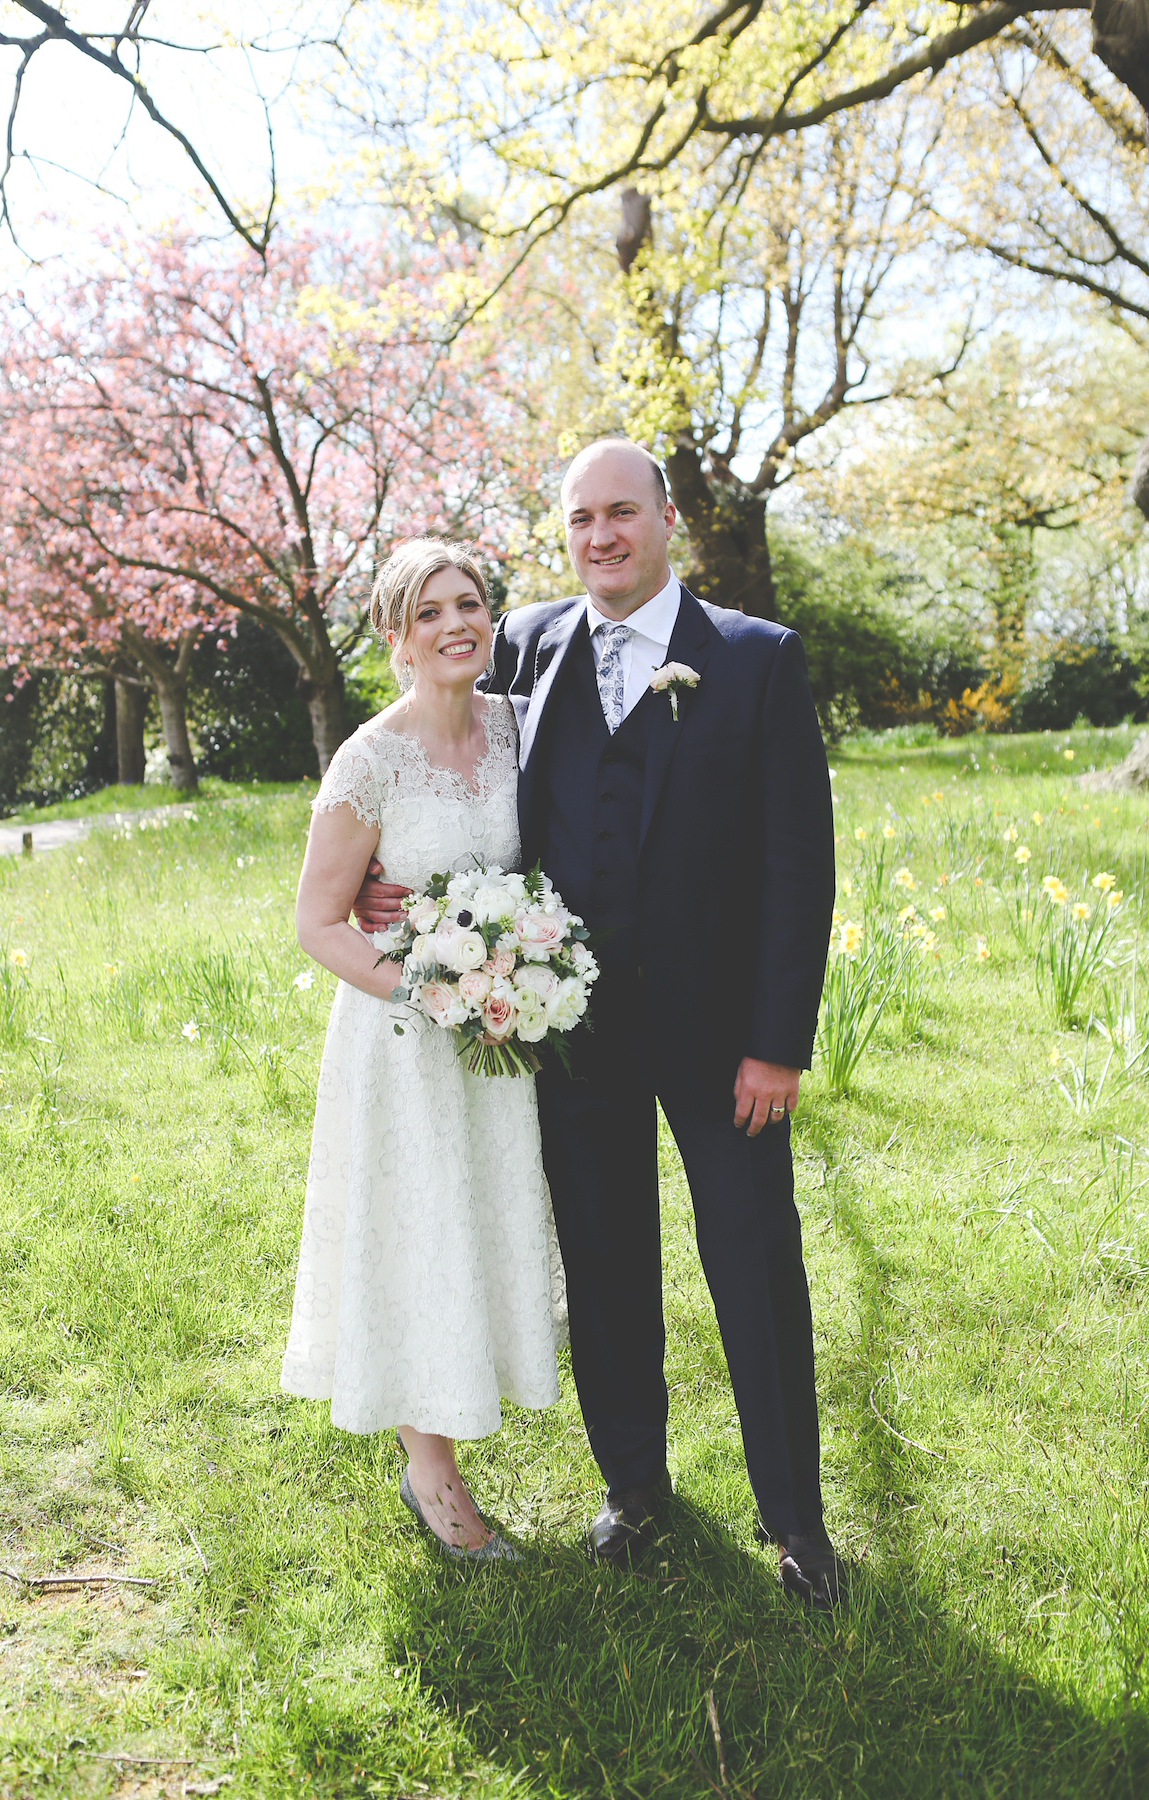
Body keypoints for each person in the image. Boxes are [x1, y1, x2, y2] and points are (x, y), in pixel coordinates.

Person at [356, 439, 843, 1608]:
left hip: (727, 1041)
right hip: (568, 1033)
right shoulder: (524, 644)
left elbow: (798, 866)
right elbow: (431, 758)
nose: (602, 538)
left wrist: (779, 1040)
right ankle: (635, 1488)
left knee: (753, 1263)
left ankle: (797, 1523)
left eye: (623, 513)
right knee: (608, 1263)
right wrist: (396, 893)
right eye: (581, 520)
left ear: (668, 521)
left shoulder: (756, 661)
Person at [281, 537, 560, 1561]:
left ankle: (461, 1409)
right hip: (405, 1039)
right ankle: (431, 1473)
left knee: (475, 1225)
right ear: (398, 640)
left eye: (471, 604)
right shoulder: (370, 759)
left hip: (503, 1040)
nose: (456, 625)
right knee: (413, 1234)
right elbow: (319, 923)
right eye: (430, 612)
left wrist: (512, 977)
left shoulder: (521, 731)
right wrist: (432, 989)